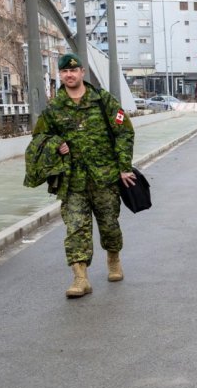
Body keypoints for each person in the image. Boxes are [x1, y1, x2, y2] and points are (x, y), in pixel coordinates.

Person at [29, 53, 136, 298]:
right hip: (72, 181)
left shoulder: (102, 101)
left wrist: (124, 166)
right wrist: (56, 143)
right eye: (65, 71)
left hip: (105, 177)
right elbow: (38, 139)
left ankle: (113, 258)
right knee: (76, 228)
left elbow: (124, 132)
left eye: (73, 71)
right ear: (60, 75)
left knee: (109, 225)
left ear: (82, 72)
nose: (69, 75)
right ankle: (80, 278)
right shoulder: (54, 109)